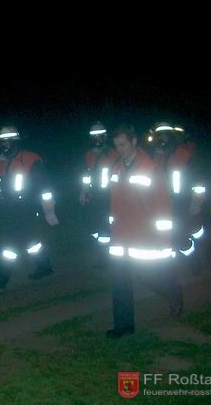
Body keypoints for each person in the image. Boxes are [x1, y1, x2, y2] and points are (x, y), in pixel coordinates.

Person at [107, 124, 183, 340]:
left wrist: (164, 240)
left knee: (148, 277)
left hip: (144, 237)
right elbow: (114, 203)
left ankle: (172, 292)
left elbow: (163, 207)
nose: (119, 149)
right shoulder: (116, 168)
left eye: (122, 144)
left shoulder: (151, 169)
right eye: (116, 145)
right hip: (121, 237)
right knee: (120, 283)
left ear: (133, 142)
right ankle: (123, 326)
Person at [0, 125, 58, 289]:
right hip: (8, 207)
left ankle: (2, 277)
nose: (3, 145)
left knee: (9, 243)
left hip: (27, 207)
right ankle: (44, 267)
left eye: (6, 141)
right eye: (0, 141)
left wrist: (49, 211)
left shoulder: (31, 160)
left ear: (15, 141)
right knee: (30, 240)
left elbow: (45, 188)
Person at [148, 122, 207, 273]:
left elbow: (198, 181)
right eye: (159, 136)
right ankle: (170, 268)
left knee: (181, 237)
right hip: (160, 204)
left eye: (165, 135)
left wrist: (196, 204)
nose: (162, 139)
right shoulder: (154, 157)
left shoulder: (183, 154)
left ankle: (194, 261)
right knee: (164, 237)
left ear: (171, 137)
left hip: (181, 203)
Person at [79, 122, 118, 266]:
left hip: (109, 197)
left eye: (100, 137)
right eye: (94, 138)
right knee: (93, 226)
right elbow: (86, 175)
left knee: (105, 229)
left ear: (105, 137)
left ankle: (105, 258)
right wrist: (83, 191)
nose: (97, 140)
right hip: (93, 197)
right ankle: (103, 253)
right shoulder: (89, 155)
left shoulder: (114, 154)